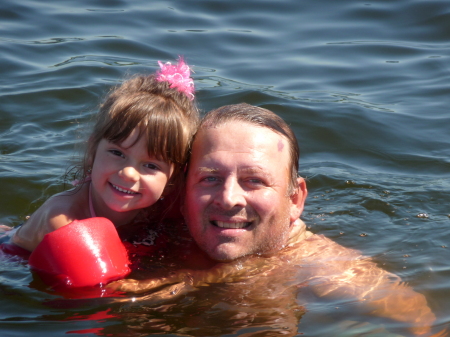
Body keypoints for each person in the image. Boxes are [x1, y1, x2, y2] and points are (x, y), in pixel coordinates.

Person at [109, 103, 442, 336]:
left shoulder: (332, 272)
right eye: (209, 178)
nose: (228, 198)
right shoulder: (157, 226)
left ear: (295, 199)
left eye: (254, 180)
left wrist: (204, 279)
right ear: (181, 194)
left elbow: (428, 328)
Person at [7, 57, 199, 287]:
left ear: (173, 179)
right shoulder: (63, 218)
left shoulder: (167, 203)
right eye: (117, 153)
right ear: (92, 151)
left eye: (151, 165)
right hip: (11, 259)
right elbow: (101, 295)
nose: (129, 173)